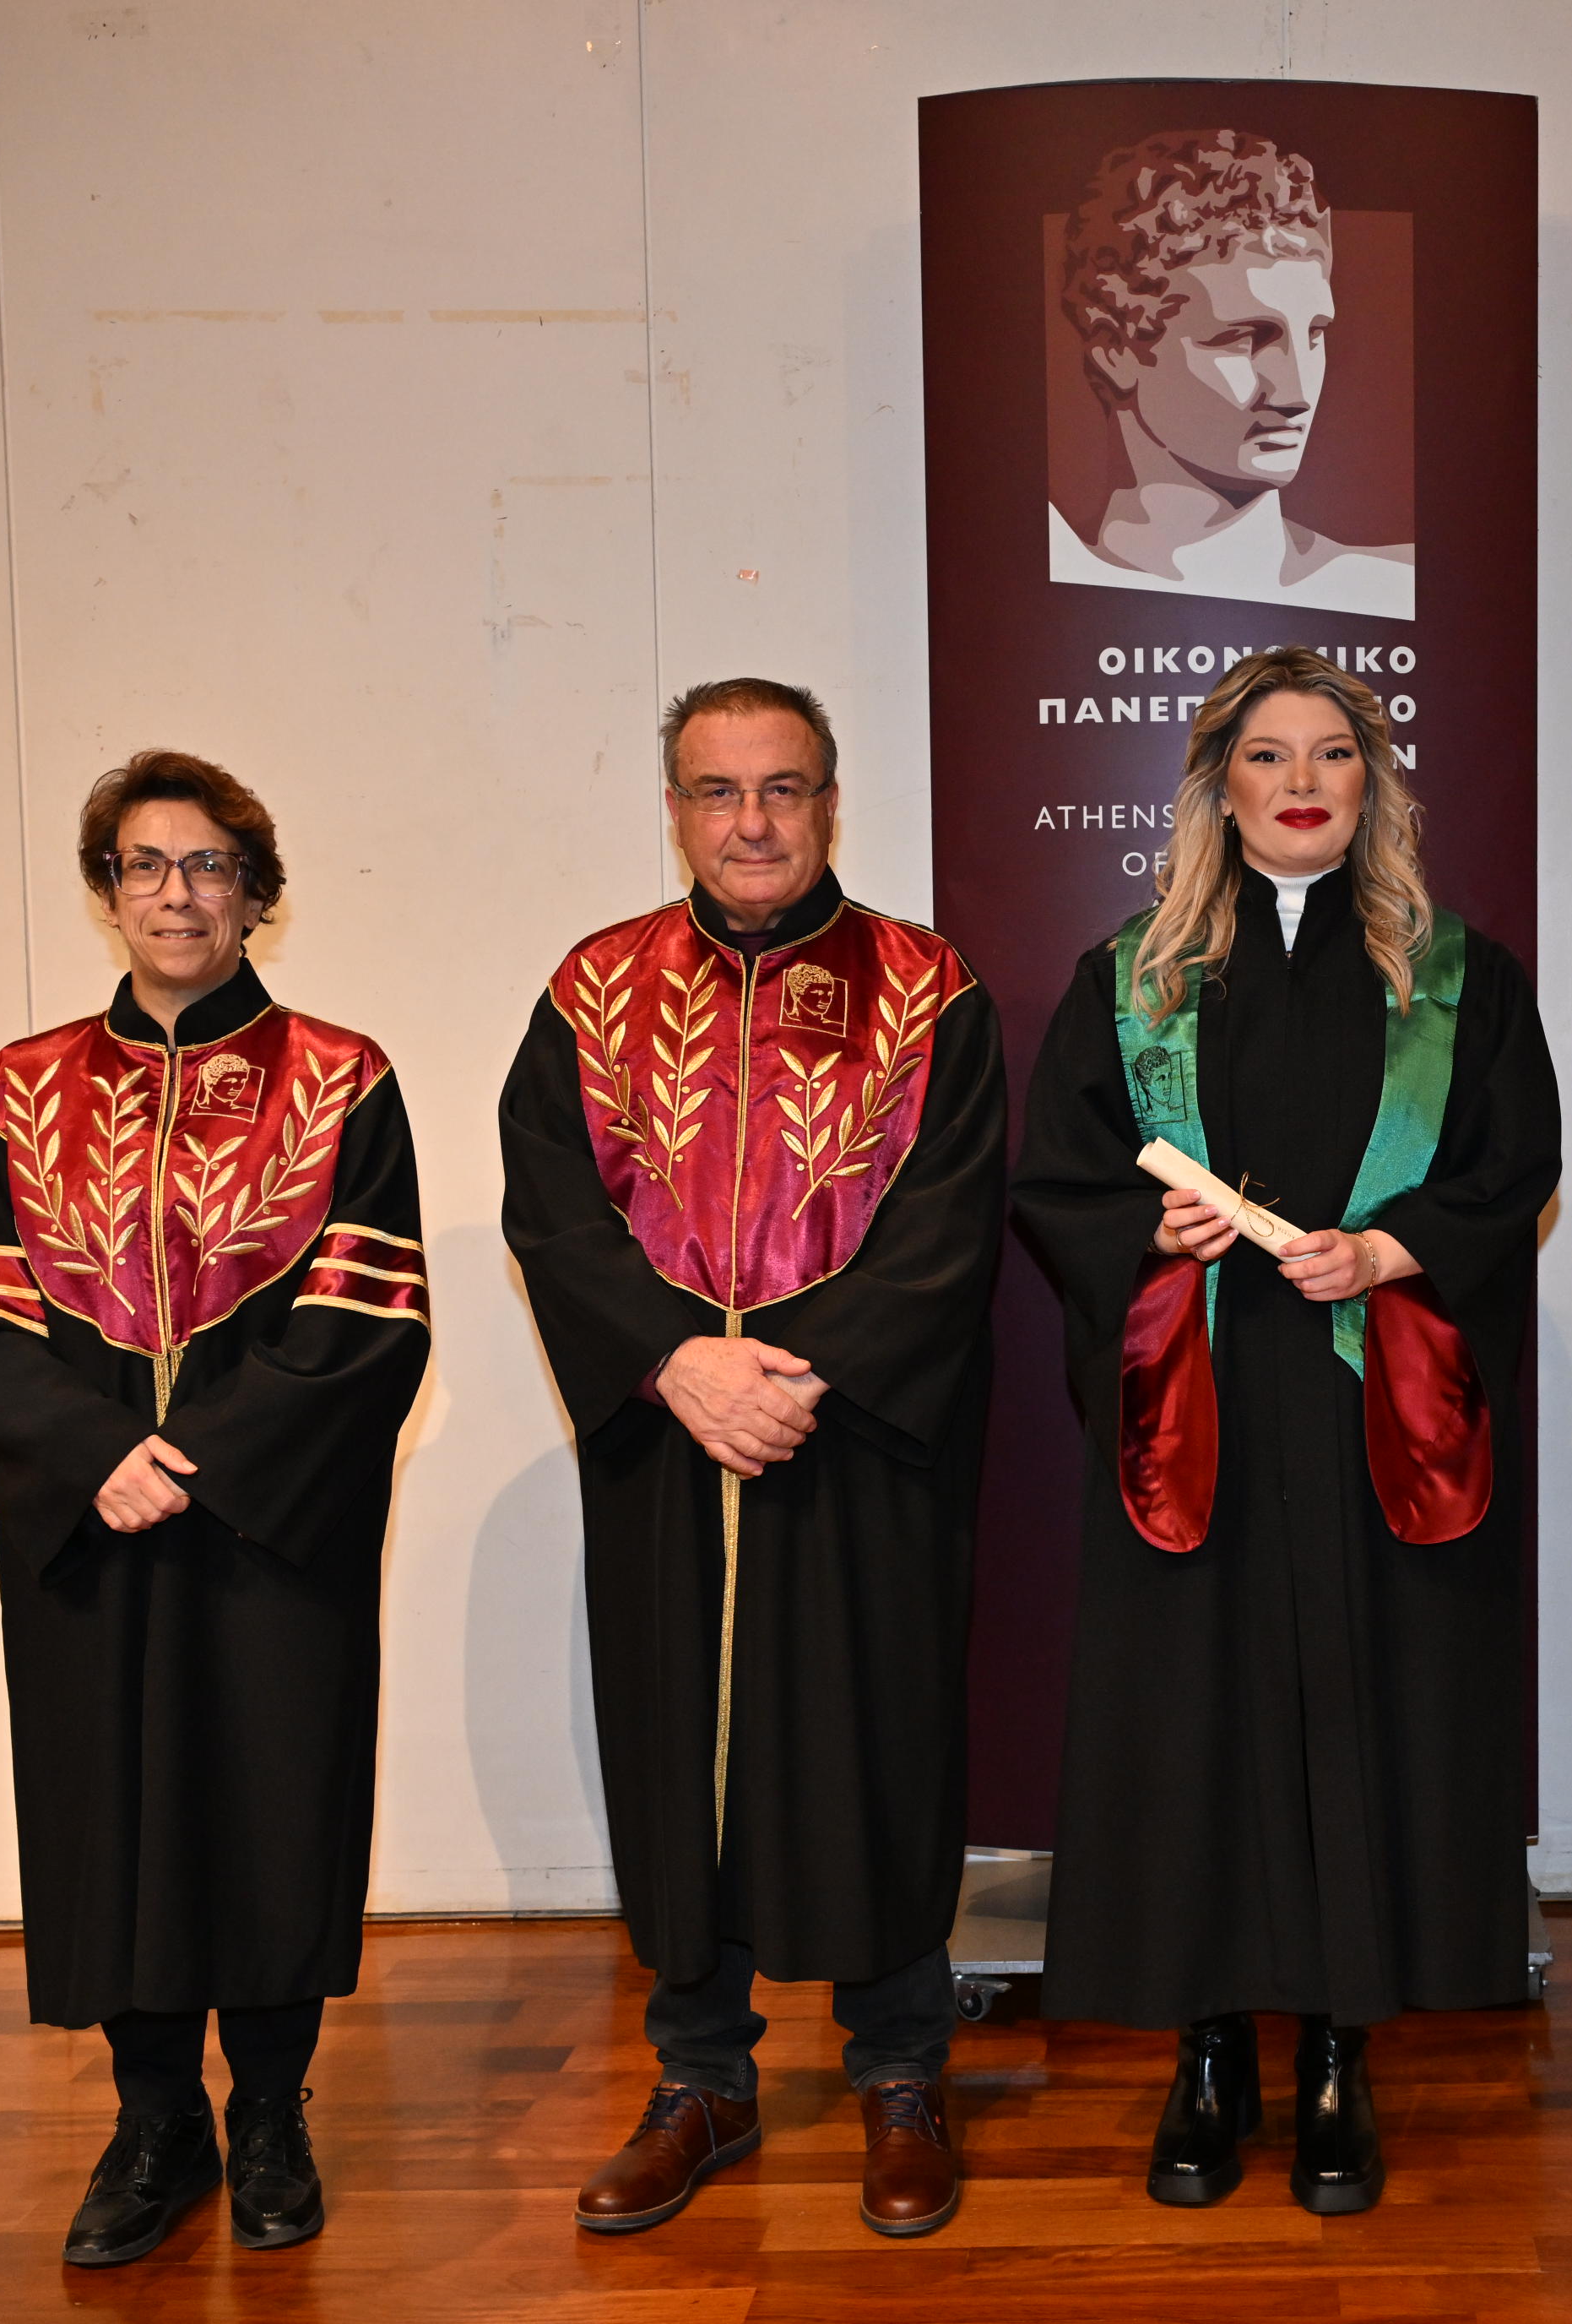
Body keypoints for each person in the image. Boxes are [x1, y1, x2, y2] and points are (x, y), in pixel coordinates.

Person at [1013, 647, 1558, 2211]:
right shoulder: (1133, 980)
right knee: (1195, 1722)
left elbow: (1512, 1164)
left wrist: (1389, 1251)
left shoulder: (1453, 979)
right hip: (1197, 1402)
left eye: (1332, 752)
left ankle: (1336, 2048)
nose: (1301, 781)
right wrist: (1149, 1232)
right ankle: (1205, 2050)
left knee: (1359, 1714)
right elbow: (1058, 1176)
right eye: (1267, 754)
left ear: (1372, 783)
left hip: (1365, 1398)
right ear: (1218, 785)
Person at [502, 678, 1005, 2240]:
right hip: (668, 1430)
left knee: (876, 1739)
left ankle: (901, 2067)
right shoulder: (594, 989)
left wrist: (799, 1373)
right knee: (678, 1749)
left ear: (830, 802)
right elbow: (551, 1206)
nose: (753, 822)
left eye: (782, 788)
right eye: (717, 792)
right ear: (674, 811)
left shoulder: (927, 988)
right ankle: (702, 2076)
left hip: (853, 1434)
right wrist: (675, 1361)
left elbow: (950, 1219)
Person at [0, 752, 430, 2267]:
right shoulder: (19, 1089)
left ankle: (269, 2112)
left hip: (272, 1524)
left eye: (208, 864)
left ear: (255, 892)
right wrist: (97, 1455)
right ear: (108, 892)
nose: (176, 893)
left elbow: (369, 1310)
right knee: (110, 1814)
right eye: (144, 865)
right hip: (87, 1522)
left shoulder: (340, 1078)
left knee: (274, 1805)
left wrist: (200, 1458)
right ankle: (153, 2119)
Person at [1051, 128, 1415, 617]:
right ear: (1116, 351)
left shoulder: (1394, 585)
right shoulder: (1039, 586)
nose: (1296, 393)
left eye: (1314, 334)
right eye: (1246, 338)